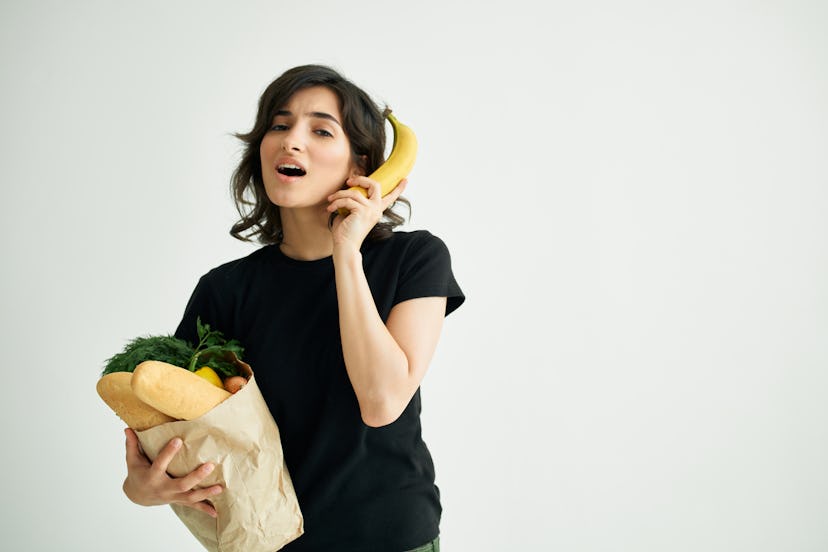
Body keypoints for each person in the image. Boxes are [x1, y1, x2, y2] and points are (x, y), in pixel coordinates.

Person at [121, 64, 465, 551]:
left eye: (320, 129)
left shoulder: (413, 259)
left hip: (391, 539)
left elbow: (382, 403)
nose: (291, 141)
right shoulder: (224, 290)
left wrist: (347, 251)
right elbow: (172, 425)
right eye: (279, 126)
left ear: (359, 167)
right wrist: (141, 487)